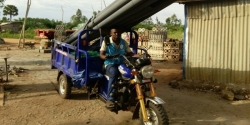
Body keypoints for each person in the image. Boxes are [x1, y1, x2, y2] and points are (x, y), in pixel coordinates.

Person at [100, 28, 134, 108]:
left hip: (120, 63)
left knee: (131, 72)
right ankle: (110, 98)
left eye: (118, 33)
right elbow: (101, 54)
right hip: (110, 63)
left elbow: (130, 53)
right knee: (114, 73)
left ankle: (129, 94)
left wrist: (140, 56)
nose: (116, 34)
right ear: (111, 33)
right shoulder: (106, 41)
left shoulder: (123, 42)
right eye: (114, 33)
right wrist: (106, 57)